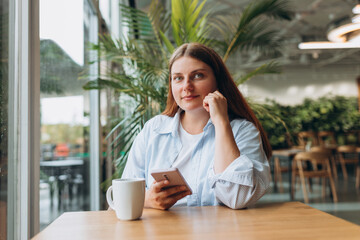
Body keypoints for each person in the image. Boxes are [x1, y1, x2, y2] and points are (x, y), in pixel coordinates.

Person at [122, 43, 272, 210]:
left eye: (198, 75)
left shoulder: (242, 131)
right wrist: (148, 201)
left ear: (218, 81)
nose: (187, 86)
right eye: (178, 78)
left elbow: (238, 197)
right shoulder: (153, 130)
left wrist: (221, 122)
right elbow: (122, 196)